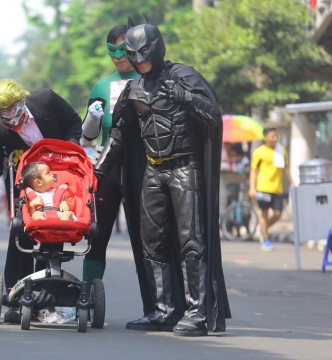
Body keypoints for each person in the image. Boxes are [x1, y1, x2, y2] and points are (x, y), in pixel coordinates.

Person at [93, 16, 230, 336]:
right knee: (151, 242)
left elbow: (213, 115)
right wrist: (99, 169)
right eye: (134, 55)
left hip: (186, 167)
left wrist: (185, 97)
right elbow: (119, 135)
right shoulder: (134, 89)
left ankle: (196, 312)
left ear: (155, 49)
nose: (139, 62)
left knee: (191, 242)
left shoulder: (182, 76)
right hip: (154, 170)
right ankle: (163, 309)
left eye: (143, 54)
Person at [0, 78, 82, 323]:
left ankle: (50, 296)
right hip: (24, 190)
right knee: (20, 234)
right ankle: (17, 296)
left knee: (54, 233)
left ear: (21, 100)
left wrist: (69, 150)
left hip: (58, 179)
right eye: (3, 115)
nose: (11, 119)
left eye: (13, 111)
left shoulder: (46, 100)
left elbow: (73, 122)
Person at [81, 24, 152, 318]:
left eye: (123, 49)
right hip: (108, 164)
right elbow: (88, 136)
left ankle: (155, 305)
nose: (118, 56)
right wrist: (92, 118)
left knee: (146, 238)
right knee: (98, 234)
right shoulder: (101, 86)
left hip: (144, 166)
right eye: (112, 50)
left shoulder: (151, 79)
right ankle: (84, 299)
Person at [249, 127, 295, 252]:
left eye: (276, 136)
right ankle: (266, 239)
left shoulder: (281, 150)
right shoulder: (259, 151)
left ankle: (263, 229)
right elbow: (253, 170)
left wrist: (292, 182)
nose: (275, 139)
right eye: (272, 136)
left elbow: (285, 168)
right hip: (263, 187)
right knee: (264, 213)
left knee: (277, 214)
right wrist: (252, 187)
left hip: (277, 188)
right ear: (265, 138)